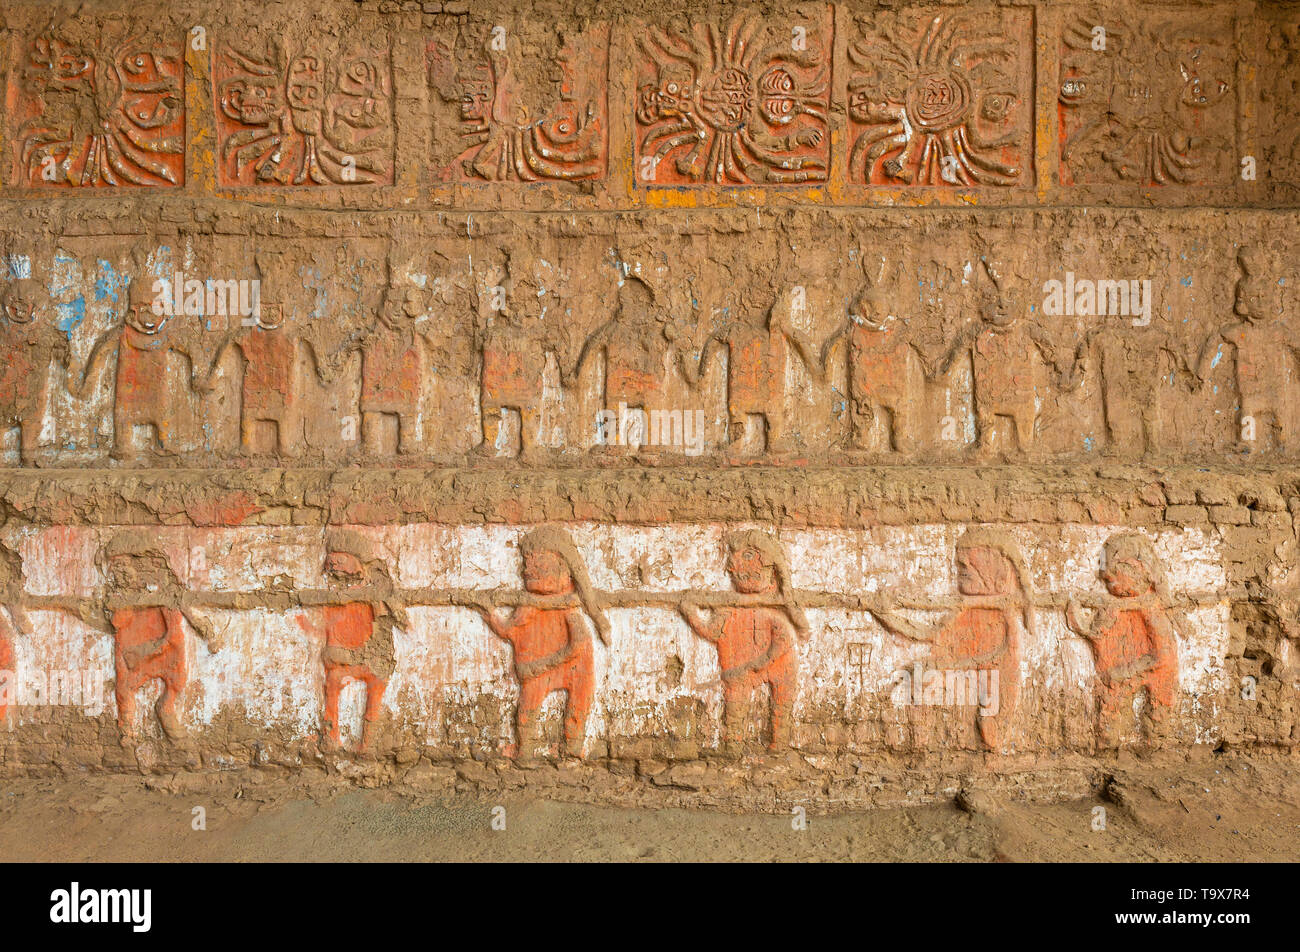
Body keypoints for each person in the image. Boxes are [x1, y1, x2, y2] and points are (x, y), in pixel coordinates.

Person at [873, 529, 1028, 752]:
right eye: (960, 565)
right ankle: (922, 746)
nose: (961, 567)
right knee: (919, 679)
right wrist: (885, 615)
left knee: (989, 730)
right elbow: (927, 633)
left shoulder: (1002, 614)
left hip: (988, 682)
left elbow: (995, 656)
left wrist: (947, 666)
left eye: (969, 563)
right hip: (965, 677)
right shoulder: (966, 609)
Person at [472, 527, 610, 760]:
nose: (528, 570)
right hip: (538, 668)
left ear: (564, 570)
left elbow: (580, 642)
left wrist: (547, 663)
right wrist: (490, 615)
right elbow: (509, 630)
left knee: (578, 706)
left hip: (569, 666)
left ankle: (573, 750)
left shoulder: (568, 605)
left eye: (539, 564)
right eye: (528, 564)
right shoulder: (529, 604)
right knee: (527, 709)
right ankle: (525, 751)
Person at [679, 530, 810, 754]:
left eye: (748, 556)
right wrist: (691, 613)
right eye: (736, 559)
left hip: (777, 664)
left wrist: (765, 659)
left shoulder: (777, 604)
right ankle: (734, 745)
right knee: (735, 705)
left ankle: (778, 745)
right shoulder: (729, 605)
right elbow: (713, 632)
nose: (732, 566)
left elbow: (791, 635)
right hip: (740, 667)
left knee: (782, 702)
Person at [1066, 533, 1180, 746]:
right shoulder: (1114, 607)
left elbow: (1162, 655)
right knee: (1109, 711)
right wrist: (1077, 617)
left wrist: (1126, 671)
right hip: (1121, 671)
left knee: (1156, 720)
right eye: (1108, 580)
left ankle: (1152, 745)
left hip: (1149, 669)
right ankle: (1108, 744)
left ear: (1134, 571)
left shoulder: (1151, 609)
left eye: (1113, 578)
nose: (1111, 586)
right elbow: (1096, 633)